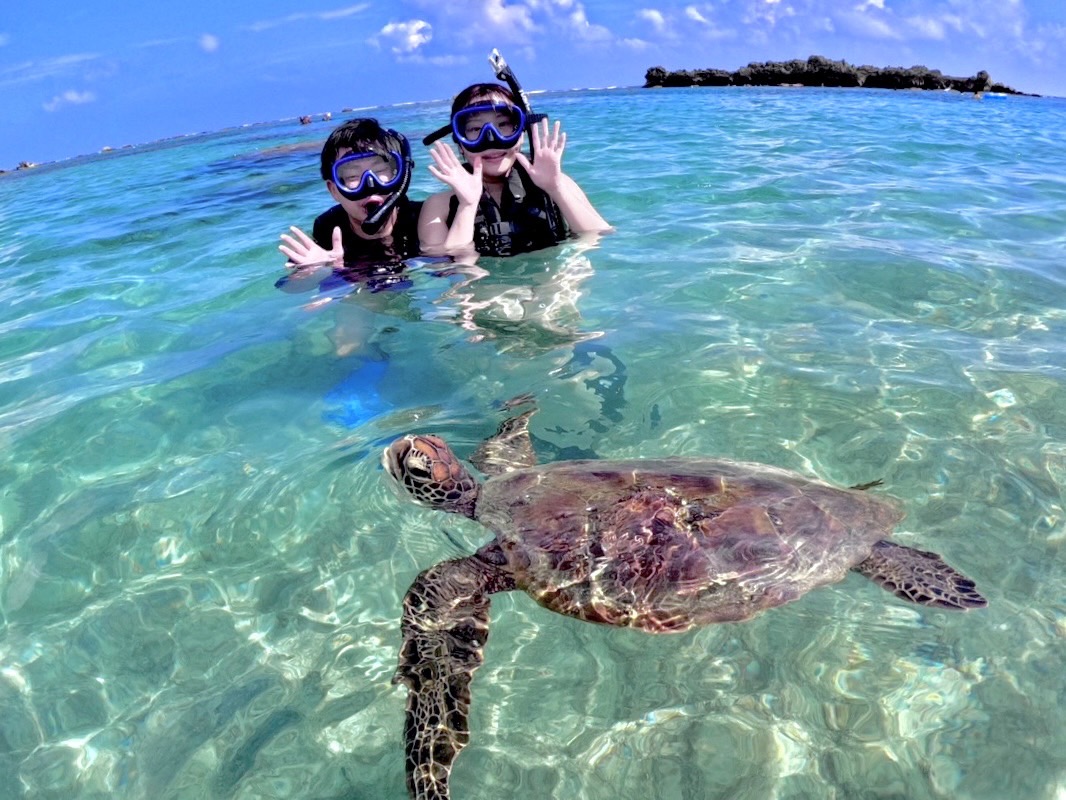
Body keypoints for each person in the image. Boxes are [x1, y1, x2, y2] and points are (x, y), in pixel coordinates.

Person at [418, 83, 611, 257]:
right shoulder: (439, 207)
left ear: (521, 133)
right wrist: (467, 207)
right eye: (475, 129)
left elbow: (600, 237)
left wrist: (555, 188)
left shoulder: (556, 182)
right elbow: (451, 269)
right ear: (460, 142)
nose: (491, 139)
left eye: (503, 125)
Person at [279, 118, 422, 267]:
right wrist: (318, 269)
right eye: (352, 176)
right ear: (334, 190)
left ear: (400, 175)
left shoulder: (420, 218)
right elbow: (297, 282)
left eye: (379, 170)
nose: (370, 185)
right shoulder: (329, 228)